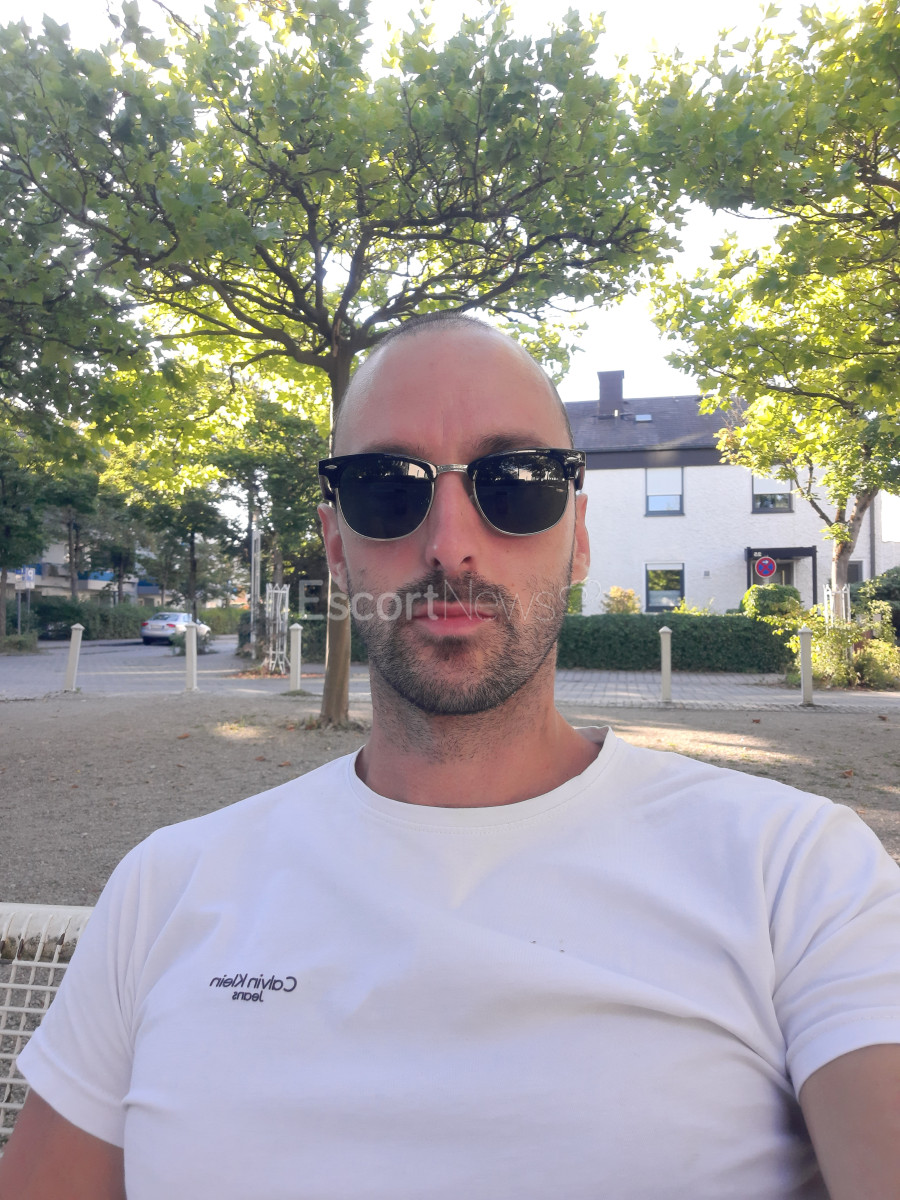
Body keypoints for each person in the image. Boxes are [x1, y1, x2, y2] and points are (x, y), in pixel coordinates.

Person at [2, 314, 900, 1200]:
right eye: (387, 490)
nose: (450, 546)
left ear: (580, 539)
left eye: (517, 483)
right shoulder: (166, 888)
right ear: (336, 546)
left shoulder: (796, 874)